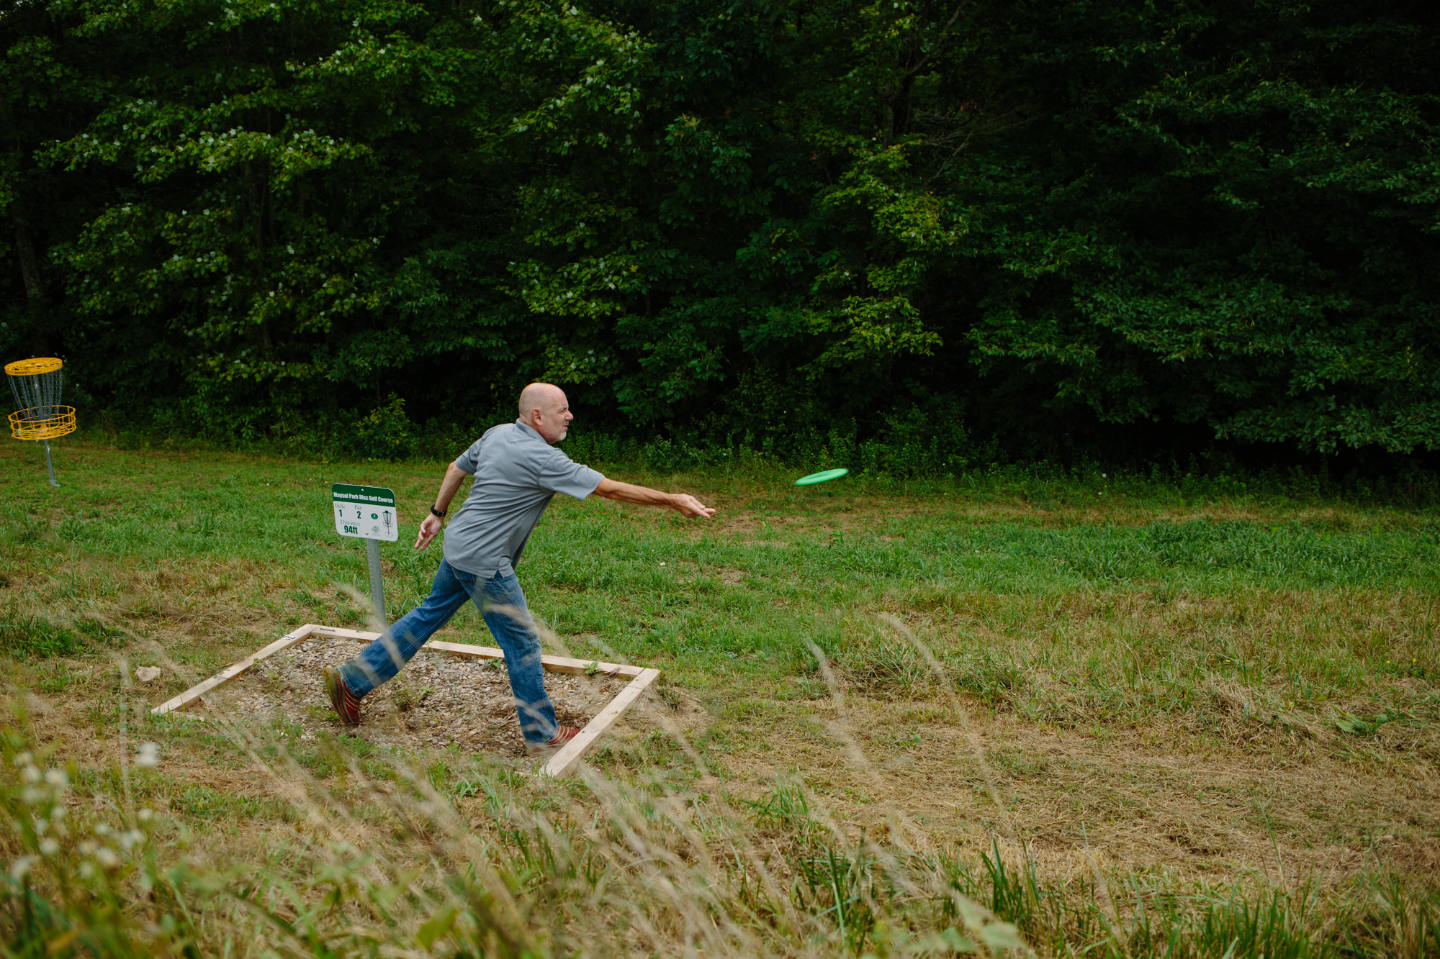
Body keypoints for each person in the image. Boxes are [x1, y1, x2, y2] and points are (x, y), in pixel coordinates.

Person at [323, 382, 716, 750]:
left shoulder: (497, 434)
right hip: (483, 562)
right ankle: (542, 733)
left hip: (458, 545)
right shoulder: (543, 458)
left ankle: (352, 681)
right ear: (537, 417)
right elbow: (609, 489)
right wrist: (672, 499)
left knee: (427, 616)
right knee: (523, 642)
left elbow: (456, 467)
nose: (570, 416)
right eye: (562, 410)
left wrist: (437, 513)